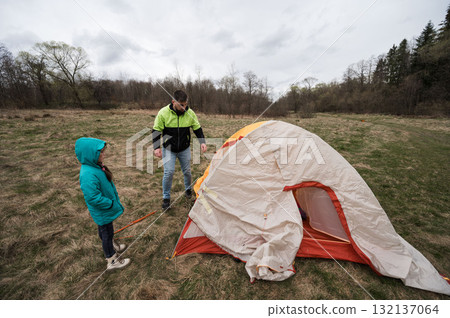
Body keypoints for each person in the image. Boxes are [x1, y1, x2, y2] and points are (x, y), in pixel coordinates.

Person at [75, 137, 131, 270]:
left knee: (106, 231)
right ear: (91, 154)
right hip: (102, 210)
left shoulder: (95, 167)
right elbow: (93, 197)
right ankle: (112, 260)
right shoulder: (88, 174)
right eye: (101, 152)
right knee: (106, 233)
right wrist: (110, 204)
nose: (104, 154)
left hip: (104, 210)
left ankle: (111, 246)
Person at [152, 89, 207, 210]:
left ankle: (188, 190)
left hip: (184, 148)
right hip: (169, 149)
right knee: (169, 172)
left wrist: (202, 142)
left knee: (187, 171)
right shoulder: (163, 113)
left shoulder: (190, 113)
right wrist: (156, 147)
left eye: (186, 104)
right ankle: (166, 198)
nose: (184, 107)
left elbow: (197, 128)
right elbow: (156, 130)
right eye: (181, 105)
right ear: (173, 102)